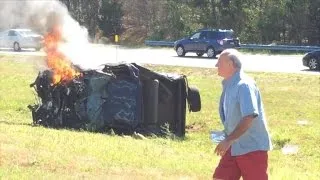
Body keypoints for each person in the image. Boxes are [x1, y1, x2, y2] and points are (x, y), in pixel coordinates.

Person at [213, 49, 272, 180]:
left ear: (231, 64)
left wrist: (228, 140)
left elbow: (249, 116)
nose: (216, 65)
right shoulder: (229, 85)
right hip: (234, 146)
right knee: (220, 177)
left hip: (252, 148)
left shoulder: (244, 85)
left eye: (219, 62)